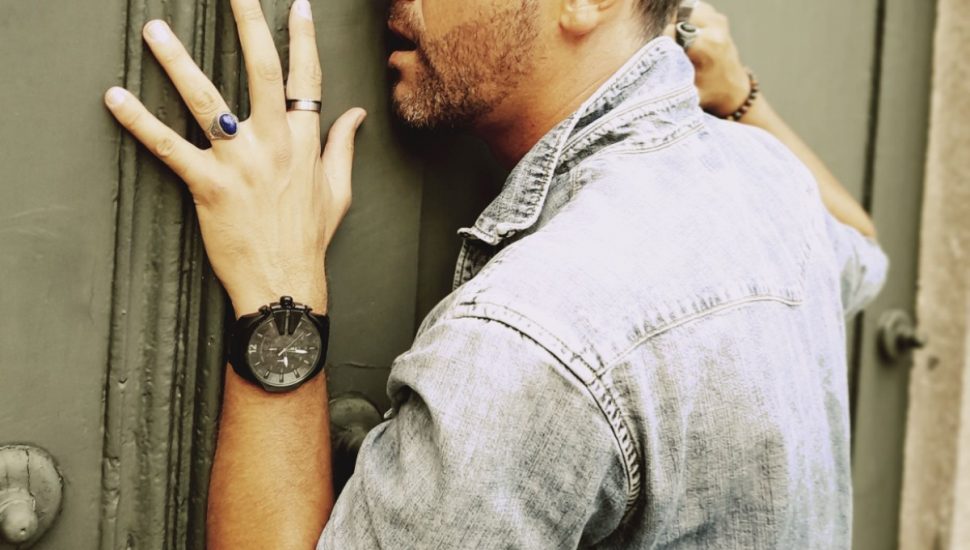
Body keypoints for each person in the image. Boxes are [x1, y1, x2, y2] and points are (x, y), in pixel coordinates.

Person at [102, 0, 887, 548]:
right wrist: (739, 96)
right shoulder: (771, 183)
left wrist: (281, 291)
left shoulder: (532, 336)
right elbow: (861, 245)